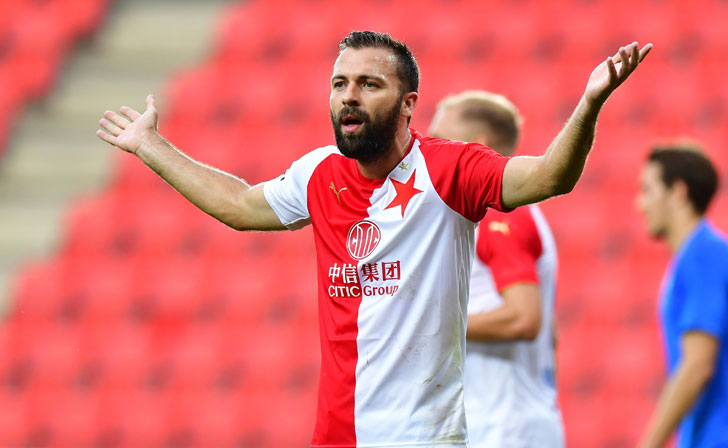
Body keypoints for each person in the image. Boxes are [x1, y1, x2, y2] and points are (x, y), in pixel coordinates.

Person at [97, 31, 651, 448]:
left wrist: (590, 104)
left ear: (408, 103)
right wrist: (150, 146)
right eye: (340, 84)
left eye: (369, 84)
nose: (349, 96)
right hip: (336, 433)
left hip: (423, 436)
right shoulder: (318, 173)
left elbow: (549, 177)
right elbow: (240, 206)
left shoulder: (450, 169)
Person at [429, 90, 564, 447]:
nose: (428, 154)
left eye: (440, 141)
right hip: (507, 419)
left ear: (476, 147)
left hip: (506, 427)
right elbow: (551, 331)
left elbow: (525, 318)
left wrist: (435, 324)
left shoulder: (497, 213)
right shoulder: (491, 215)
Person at [636, 144, 728, 448]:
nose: (640, 204)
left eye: (648, 190)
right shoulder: (697, 256)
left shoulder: (703, 254)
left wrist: (649, 443)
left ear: (678, 192)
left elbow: (698, 364)